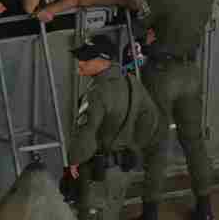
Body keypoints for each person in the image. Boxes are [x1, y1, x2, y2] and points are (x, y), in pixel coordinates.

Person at [129, 0, 217, 220]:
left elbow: (139, 28)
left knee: (157, 143)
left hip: (162, 73)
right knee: (194, 141)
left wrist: (137, 4)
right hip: (191, 70)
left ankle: (150, 212)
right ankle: (205, 208)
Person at [64, 35, 160, 220]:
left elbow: (86, 133)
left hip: (97, 173)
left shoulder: (97, 92)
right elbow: (150, 117)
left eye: (86, 59)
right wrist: (134, 145)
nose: (80, 63)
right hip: (122, 170)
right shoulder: (132, 82)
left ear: (104, 61)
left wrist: (73, 161)